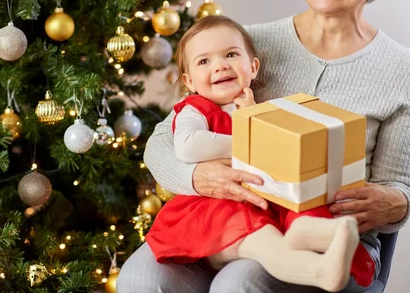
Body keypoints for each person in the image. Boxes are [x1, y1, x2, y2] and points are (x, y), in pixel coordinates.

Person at [117, 0, 410, 293]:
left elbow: (397, 189)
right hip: (224, 214)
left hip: (321, 231)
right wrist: (199, 176)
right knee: (139, 277)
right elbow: (162, 143)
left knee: (239, 283)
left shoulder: (405, 70)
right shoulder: (245, 45)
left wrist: (396, 205)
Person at [145, 15, 364, 292]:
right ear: (189, 81)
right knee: (263, 239)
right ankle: (319, 272)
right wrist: (252, 139)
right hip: (213, 207)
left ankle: (326, 233)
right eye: (204, 61)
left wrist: (253, 116)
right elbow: (188, 146)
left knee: (297, 210)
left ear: (253, 67)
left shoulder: (258, 107)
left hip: (260, 199)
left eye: (231, 55)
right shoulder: (194, 109)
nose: (221, 65)